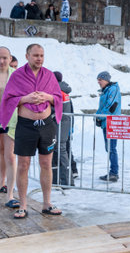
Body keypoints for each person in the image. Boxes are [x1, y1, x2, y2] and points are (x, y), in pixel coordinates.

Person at [0, 43, 63, 219]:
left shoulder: (49, 75)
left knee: (45, 164)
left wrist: (48, 97)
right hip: (25, 125)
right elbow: (8, 98)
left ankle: (47, 203)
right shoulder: (18, 76)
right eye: (35, 55)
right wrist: (24, 99)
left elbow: (58, 97)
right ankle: (23, 205)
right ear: (27, 56)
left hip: (46, 125)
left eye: (42, 55)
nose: (39, 59)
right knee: (23, 165)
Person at [0, 47, 19, 209]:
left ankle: (10, 195)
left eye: (5, 58)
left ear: (10, 58)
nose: (1, 61)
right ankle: (2, 182)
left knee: (10, 156)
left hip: (11, 121)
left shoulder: (16, 75)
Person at [95, 71, 121, 182]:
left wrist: (100, 117)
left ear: (106, 79)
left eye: (100, 79)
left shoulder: (113, 89)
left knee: (112, 148)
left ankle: (114, 173)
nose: (98, 82)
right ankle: (113, 172)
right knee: (109, 148)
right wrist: (97, 116)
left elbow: (111, 106)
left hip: (112, 123)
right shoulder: (106, 91)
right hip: (107, 122)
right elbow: (102, 107)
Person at [51, 71, 74, 186]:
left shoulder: (57, 91)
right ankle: (58, 180)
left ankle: (65, 181)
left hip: (59, 124)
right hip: (63, 124)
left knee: (60, 151)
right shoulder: (64, 90)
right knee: (59, 151)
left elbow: (54, 109)